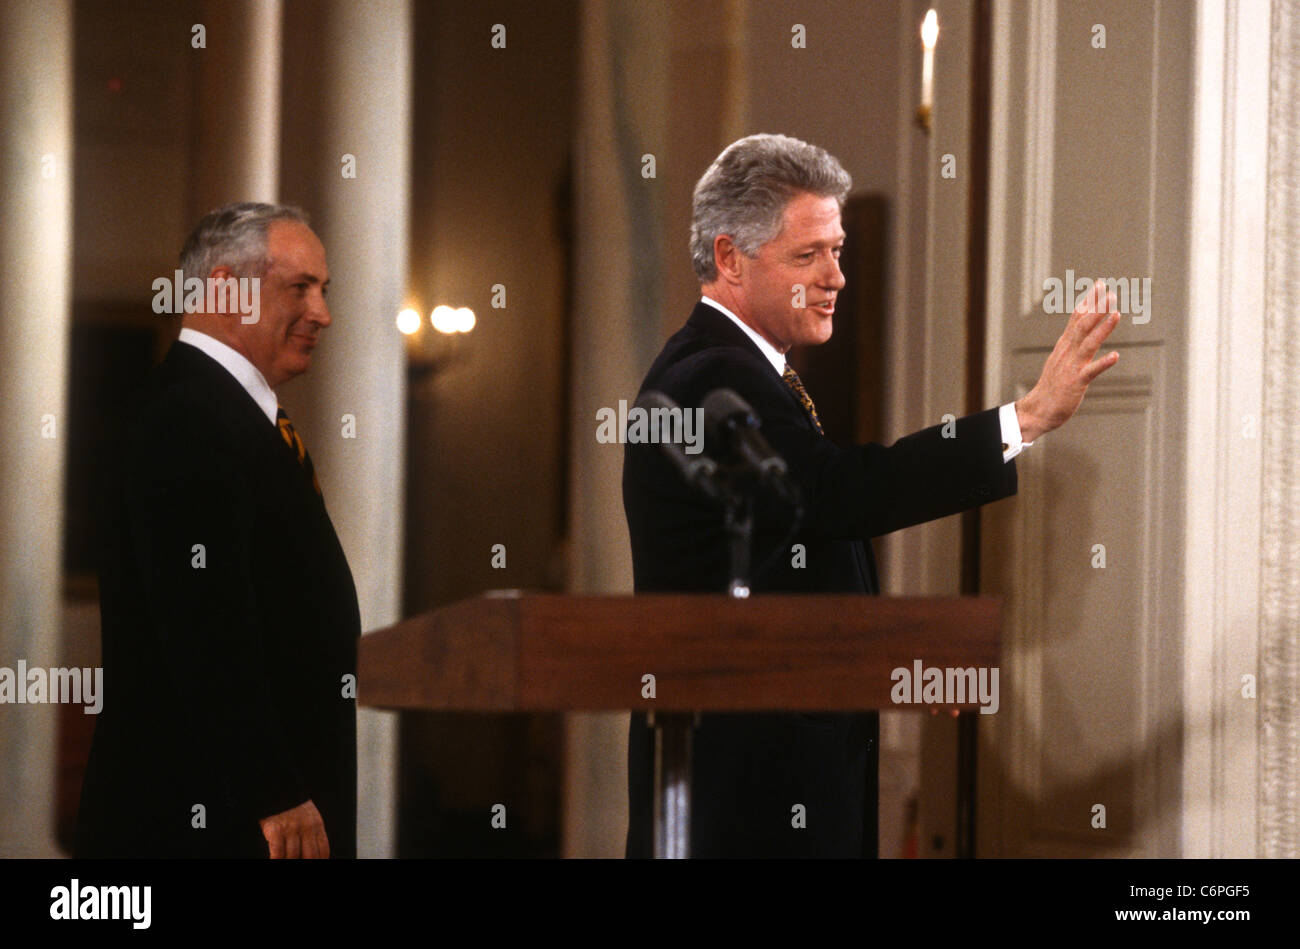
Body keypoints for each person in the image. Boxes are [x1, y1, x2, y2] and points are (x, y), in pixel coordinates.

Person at [622, 134, 1120, 858]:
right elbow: (841, 493)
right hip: (742, 813)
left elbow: (767, 585)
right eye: (808, 255)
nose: (837, 277)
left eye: (839, 249)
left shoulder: (735, 371)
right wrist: (1029, 416)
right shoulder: (709, 379)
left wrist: (892, 653)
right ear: (731, 258)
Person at [76, 202, 360, 858]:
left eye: (325, 289)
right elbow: (203, 624)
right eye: (300, 287)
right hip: (210, 821)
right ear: (228, 288)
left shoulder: (228, 414)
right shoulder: (186, 419)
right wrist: (275, 787)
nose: (323, 313)